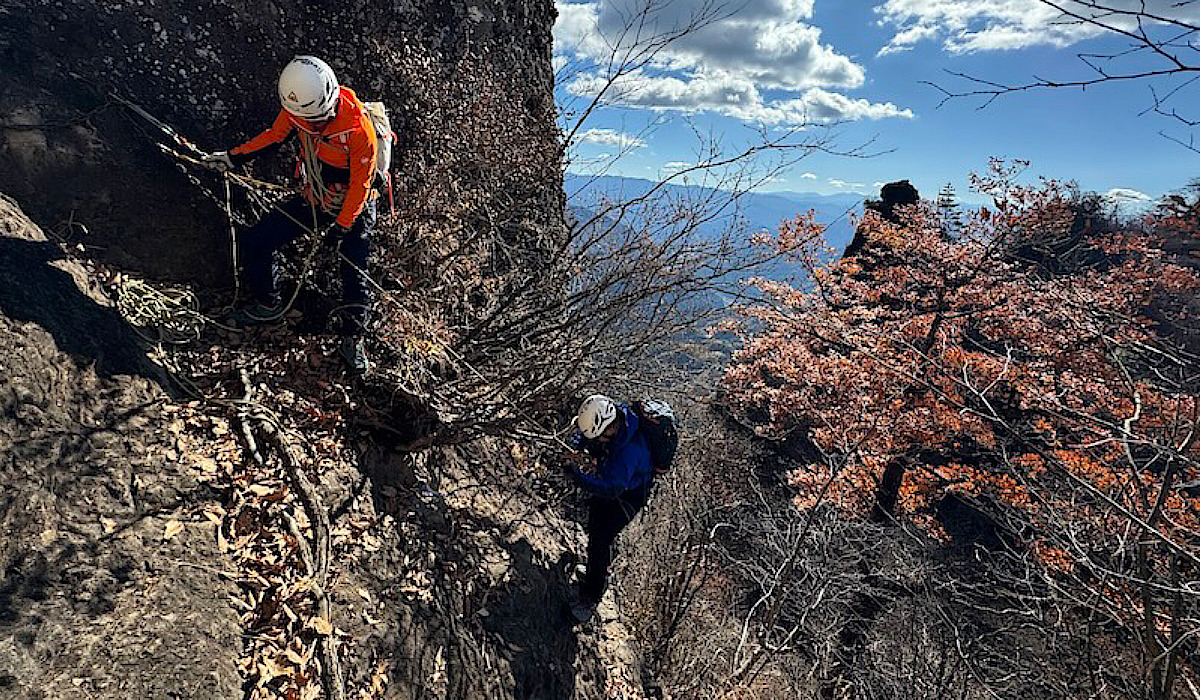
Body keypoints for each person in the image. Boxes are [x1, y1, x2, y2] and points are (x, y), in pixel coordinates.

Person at [202, 55, 379, 373]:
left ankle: (353, 338)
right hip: (318, 194)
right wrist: (232, 158)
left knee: (354, 270)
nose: (311, 127)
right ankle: (269, 304)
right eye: (307, 121)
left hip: (355, 205)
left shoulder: (358, 129)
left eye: (318, 121)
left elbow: (361, 185)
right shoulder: (298, 111)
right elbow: (274, 136)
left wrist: (341, 227)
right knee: (258, 240)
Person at [565, 394, 661, 624]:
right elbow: (589, 438)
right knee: (595, 528)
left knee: (601, 539)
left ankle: (592, 594)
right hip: (616, 484)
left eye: (600, 436)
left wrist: (575, 476)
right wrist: (576, 444)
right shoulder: (615, 417)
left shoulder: (630, 451)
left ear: (609, 428)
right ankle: (593, 573)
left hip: (628, 496)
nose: (598, 439)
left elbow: (611, 489)